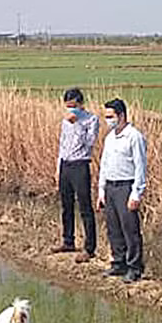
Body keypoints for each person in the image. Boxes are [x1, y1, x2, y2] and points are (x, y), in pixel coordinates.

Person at [97, 98, 147, 283]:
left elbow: (141, 166)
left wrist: (136, 193)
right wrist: (101, 190)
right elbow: (104, 164)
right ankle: (119, 263)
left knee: (130, 229)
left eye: (110, 116)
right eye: (106, 116)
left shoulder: (134, 137)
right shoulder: (110, 137)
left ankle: (135, 267)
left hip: (126, 186)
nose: (108, 120)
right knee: (113, 227)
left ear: (121, 115)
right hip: (110, 185)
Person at [54, 87, 99, 262]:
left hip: (80, 165)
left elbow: (88, 143)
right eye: (67, 106)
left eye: (73, 106)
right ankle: (68, 240)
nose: (70, 110)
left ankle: (89, 247)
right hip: (66, 164)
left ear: (80, 104)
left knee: (85, 206)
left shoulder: (91, 120)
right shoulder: (65, 121)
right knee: (66, 205)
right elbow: (62, 144)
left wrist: (77, 123)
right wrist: (58, 167)